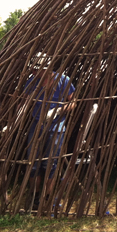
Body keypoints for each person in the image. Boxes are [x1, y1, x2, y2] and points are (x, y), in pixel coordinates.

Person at [23, 60, 75, 209]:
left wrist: (59, 110)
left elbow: (73, 102)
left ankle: (48, 197)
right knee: (33, 163)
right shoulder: (33, 81)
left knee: (50, 164)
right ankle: (35, 196)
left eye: (35, 70)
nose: (33, 72)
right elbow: (25, 102)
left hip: (56, 127)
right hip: (36, 124)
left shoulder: (63, 80)